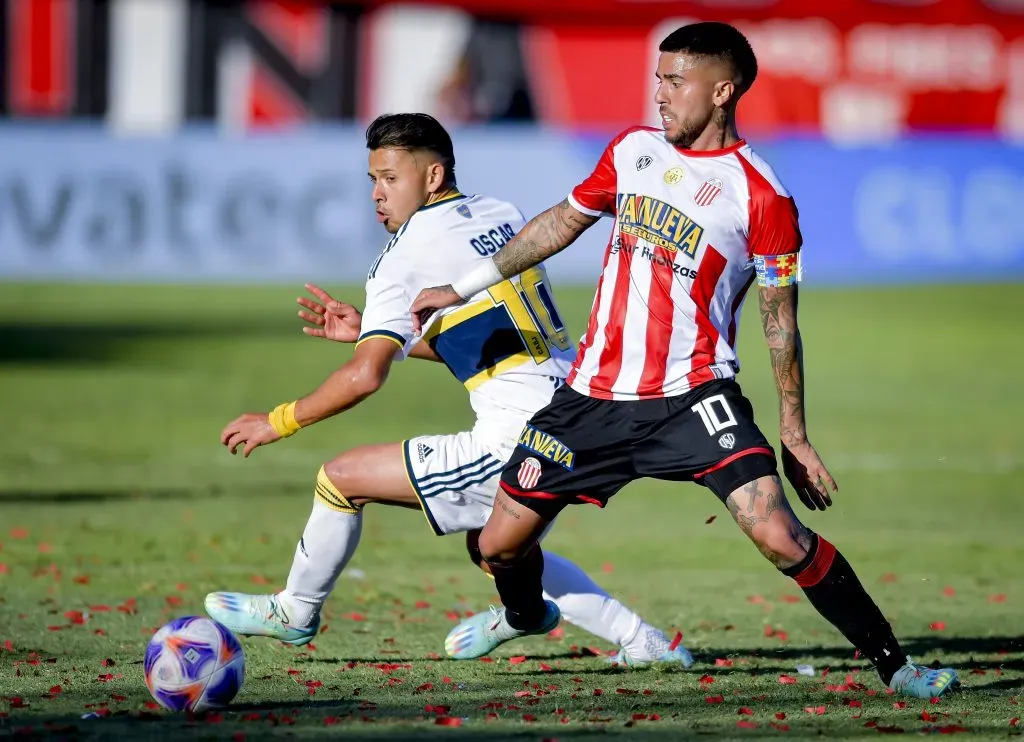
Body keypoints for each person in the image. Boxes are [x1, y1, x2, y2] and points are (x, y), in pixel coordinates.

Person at [409, 23, 959, 699]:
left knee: (780, 535)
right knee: (498, 546)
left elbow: (780, 324)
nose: (660, 93)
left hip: (693, 397)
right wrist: (462, 287)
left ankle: (897, 667)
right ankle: (525, 616)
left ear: (722, 91)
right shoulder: (632, 150)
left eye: (675, 80)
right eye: (658, 79)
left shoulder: (762, 196)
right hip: (592, 395)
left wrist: (792, 433)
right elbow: (561, 222)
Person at [204, 113, 692, 668]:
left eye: (390, 178)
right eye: (373, 179)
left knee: (340, 480)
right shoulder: (500, 213)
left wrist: (278, 421)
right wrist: (373, 328)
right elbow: (493, 340)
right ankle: (627, 638)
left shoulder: (403, 258)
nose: (376, 194)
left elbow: (365, 377)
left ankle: (296, 610)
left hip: (519, 436)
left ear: (433, 176)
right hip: (578, 411)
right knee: (495, 544)